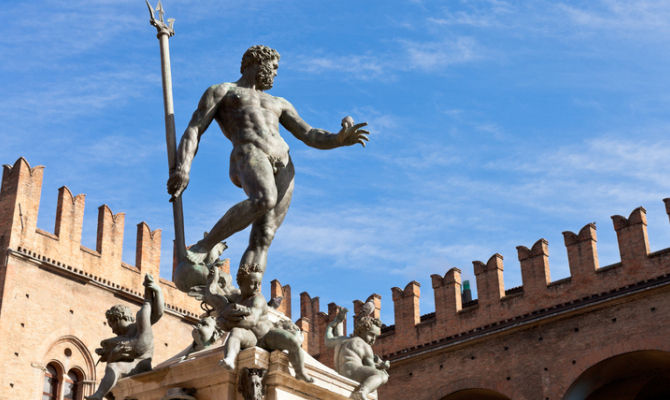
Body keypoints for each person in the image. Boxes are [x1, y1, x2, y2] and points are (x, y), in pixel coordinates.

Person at [167, 45, 369, 288]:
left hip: (284, 162)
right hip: (249, 152)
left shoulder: (279, 102)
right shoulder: (223, 91)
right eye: (273, 68)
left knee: (265, 235)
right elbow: (195, 129)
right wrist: (183, 167)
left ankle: (249, 297)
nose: (275, 74)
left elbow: (309, 134)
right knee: (264, 198)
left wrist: (338, 139)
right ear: (256, 63)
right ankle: (204, 246)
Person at [218, 263, 312, 382]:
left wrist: (227, 322)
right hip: (252, 338)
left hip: (268, 335)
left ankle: (300, 372)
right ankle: (230, 359)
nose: (257, 286)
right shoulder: (237, 297)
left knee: (292, 342)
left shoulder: (258, 299)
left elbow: (251, 321)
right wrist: (213, 277)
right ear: (242, 283)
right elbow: (219, 292)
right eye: (253, 283)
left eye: (259, 283)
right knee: (236, 333)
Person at [85, 274, 164, 400]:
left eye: (112, 325)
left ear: (118, 319)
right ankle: (102, 393)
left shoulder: (139, 323)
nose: (113, 330)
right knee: (113, 371)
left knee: (114, 367)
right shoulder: (125, 335)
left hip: (141, 363)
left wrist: (158, 291)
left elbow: (158, 313)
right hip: (133, 363)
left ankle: (98, 395)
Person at [325, 306, 389, 400]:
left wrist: (332, 324)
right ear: (361, 330)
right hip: (353, 374)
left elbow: (328, 340)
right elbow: (371, 368)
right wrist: (382, 367)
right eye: (371, 335)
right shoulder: (365, 346)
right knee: (382, 375)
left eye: (375, 337)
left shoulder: (343, 340)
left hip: (341, 372)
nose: (373, 339)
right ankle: (363, 391)